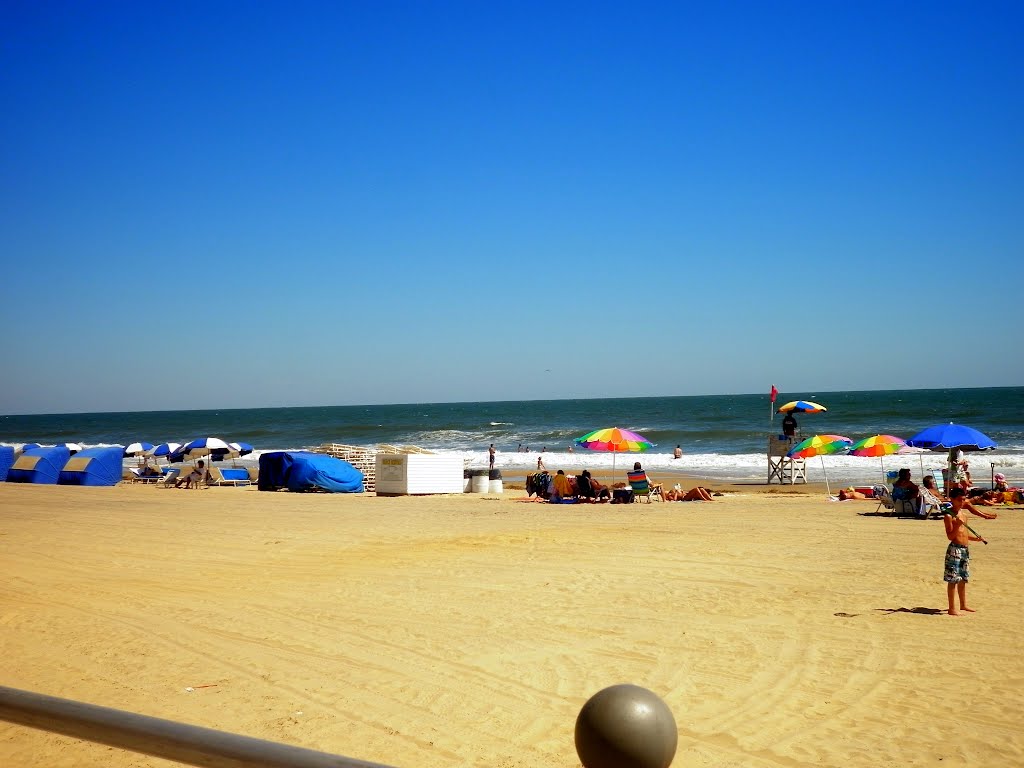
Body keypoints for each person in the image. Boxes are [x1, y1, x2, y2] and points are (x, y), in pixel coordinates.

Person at [943, 487, 997, 616]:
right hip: (954, 549)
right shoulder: (948, 516)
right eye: (959, 500)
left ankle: (963, 604)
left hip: (964, 549)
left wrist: (976, 539)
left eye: (963, 500)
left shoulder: (963, 514)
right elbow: (950, 536)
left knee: (963, 578)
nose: (962, 502)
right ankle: (952, 608)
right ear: (952, 500)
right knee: (953, 579)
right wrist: (956, 524)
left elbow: (964, 534)